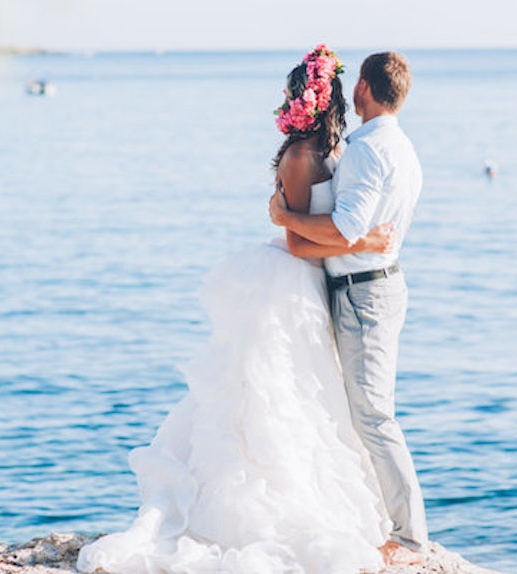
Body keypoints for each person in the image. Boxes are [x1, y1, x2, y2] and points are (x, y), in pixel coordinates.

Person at [77, 45, 397, 574]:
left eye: (294, 94)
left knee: (305, 395)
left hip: (309, 282)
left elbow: (304, 228)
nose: (289, 103)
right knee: (269, 397)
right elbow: (295, 241)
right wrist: (365, 241)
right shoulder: (303, 155)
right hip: (289, 281)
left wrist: (357, 234)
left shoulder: (326, 151)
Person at [268, 50, 428, 566]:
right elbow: (363, 232)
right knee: (362, 414)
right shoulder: (401, 147)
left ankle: (408, 538)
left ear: (362, 87)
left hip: (364, 292)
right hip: (374, 285)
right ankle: (383, 522)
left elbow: (346, 229)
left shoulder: (363, 150)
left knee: (374, 418)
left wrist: (284, 220)